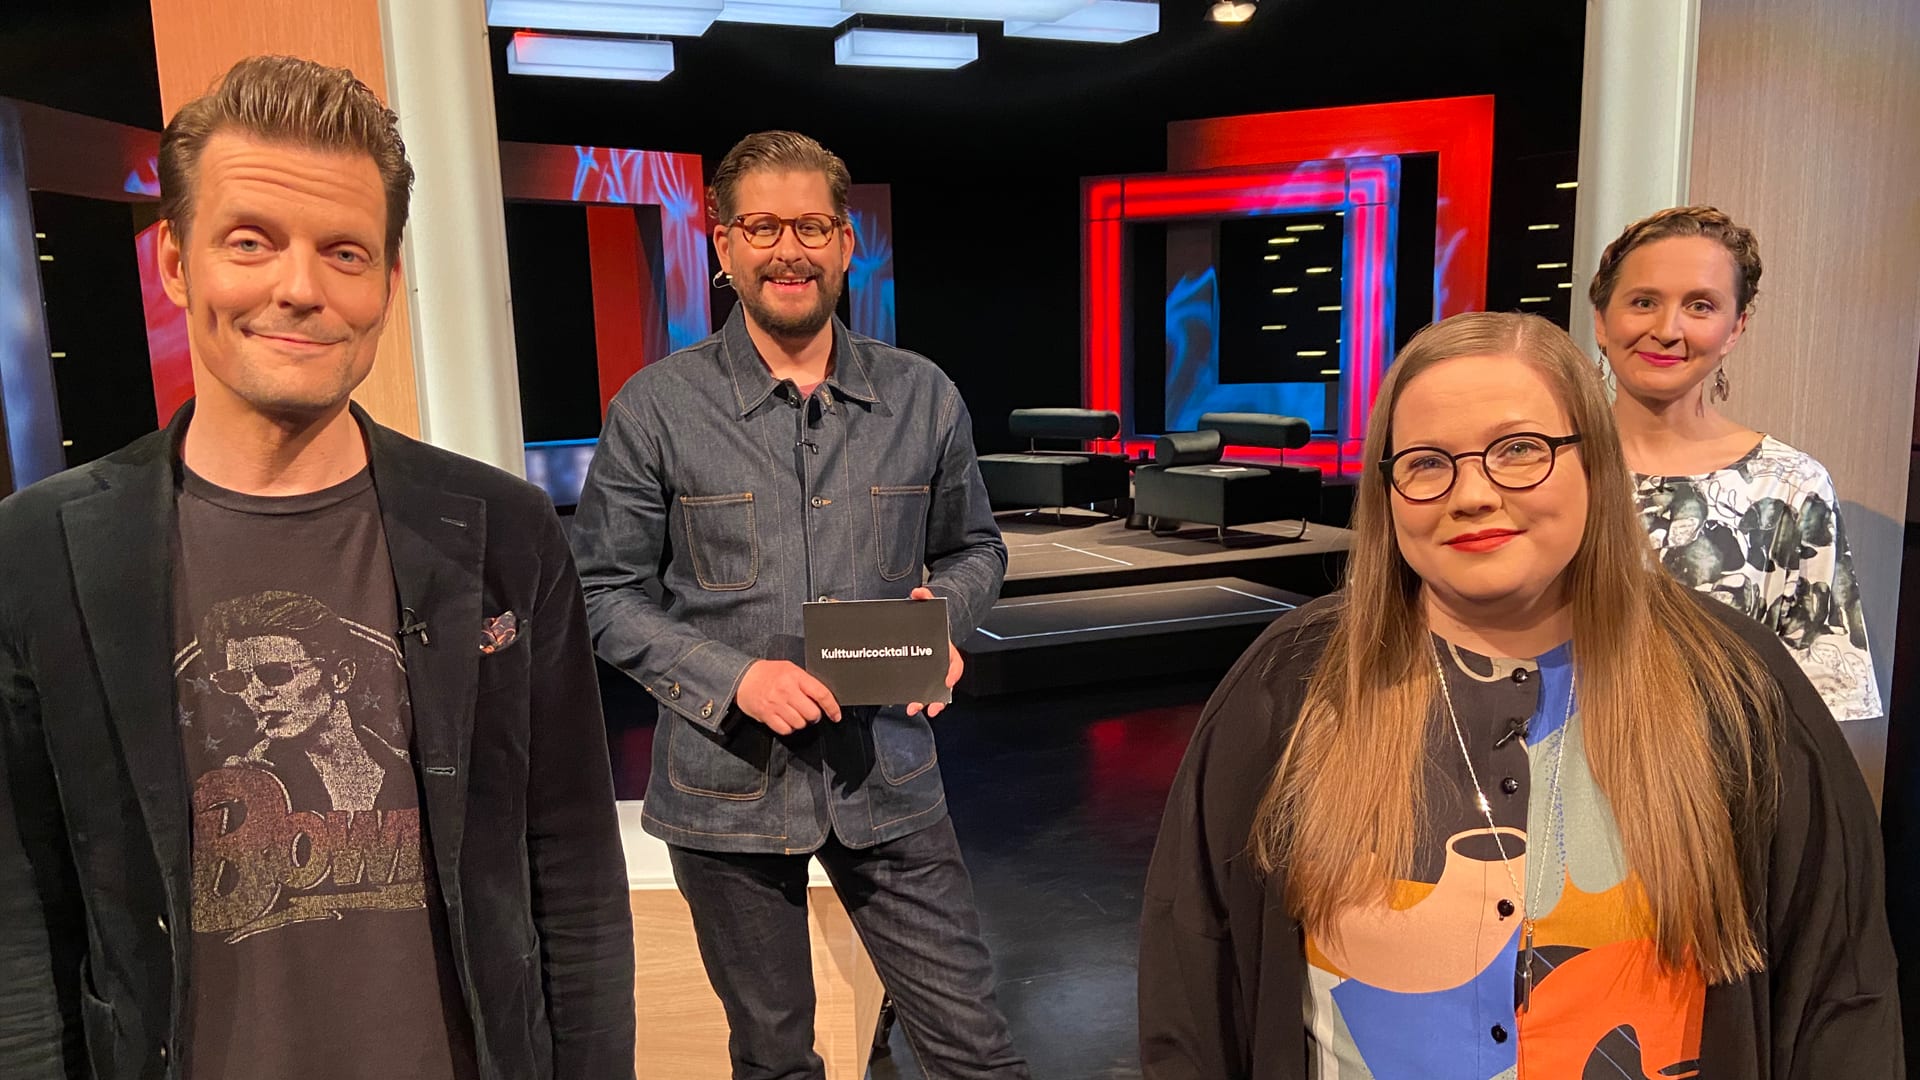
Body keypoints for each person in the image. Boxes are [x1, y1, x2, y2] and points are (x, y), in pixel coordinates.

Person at [0, 56, 634, 1080]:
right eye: (250, 241)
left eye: (344, 252)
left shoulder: (505, 531)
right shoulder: (39, 550)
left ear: (387, 283)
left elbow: (573, 876)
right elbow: (22, 920)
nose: (299, 289)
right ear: (176, 262)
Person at [1137, 311, 1899, 1078]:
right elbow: (1193, 989)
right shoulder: (1290, 686)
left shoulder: (1736, 684)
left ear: (1594, 462)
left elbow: (1840, 1000)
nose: (1471, 494)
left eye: (1520, 450)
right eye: (1427, 462)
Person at [572, 130, 1026, 1078]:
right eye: (763, 227)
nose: (791, 250)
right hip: (724, 792)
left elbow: (976, 548)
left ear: (846, 242)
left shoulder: (923, 396)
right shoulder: (655, 408)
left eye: (813, 226)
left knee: (976, 1051)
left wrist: (942, 613)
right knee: (774, 1060)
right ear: (724, 244)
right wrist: (733, 678)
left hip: (888, 778)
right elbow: (603, 592)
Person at [1591, 205, 1880, 721]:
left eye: (1700, 306)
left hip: (1727, 769)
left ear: (1735, 328)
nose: (1667, 329)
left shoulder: (1790, 486)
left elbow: (1822, 704)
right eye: (1643, 302)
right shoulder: (1546, 466)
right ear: (1601, 320)